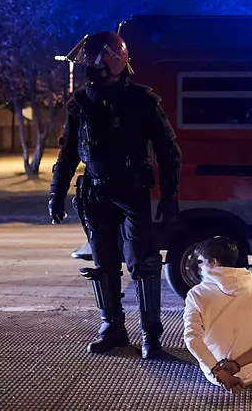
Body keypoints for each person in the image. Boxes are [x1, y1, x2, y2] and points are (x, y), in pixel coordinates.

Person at [48, 30, 182, 358]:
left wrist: (169, 196)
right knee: (105, 264)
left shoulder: (143, 101)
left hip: (132, 193)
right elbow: (68, 154)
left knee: (143, 264)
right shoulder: (80, 103)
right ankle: (113, 328)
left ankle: (151, 336)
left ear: (112, 63)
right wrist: (57, 192)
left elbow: (169, 152)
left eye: (92, 64)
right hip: (94, 194)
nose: (87, 71)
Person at [183, 236, 252, 392]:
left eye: (201, 262)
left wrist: (220, 372)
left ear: (214, 263)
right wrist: (236, 365)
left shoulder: (196, 294)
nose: (199, 268)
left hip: (214, 375)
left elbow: (192, 339)